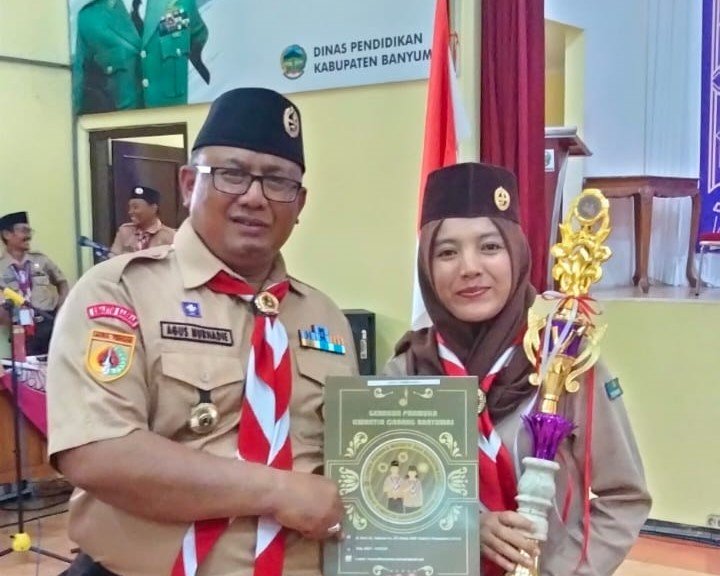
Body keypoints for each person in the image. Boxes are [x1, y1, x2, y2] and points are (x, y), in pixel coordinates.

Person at [47, 87, 358, 576]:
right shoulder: (119, 292)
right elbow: (99, 452)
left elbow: (355, 461)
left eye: (278, 181)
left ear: (299, 203)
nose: (254, 197)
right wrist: (278, 491)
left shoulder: (325, 318)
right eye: (232, 174)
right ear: (189, 183)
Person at [383, 163, 651, 576]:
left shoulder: (565, 361)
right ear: (426, 267)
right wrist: (463, 525)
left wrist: (563, 572)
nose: (469, 267)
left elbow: (624, 497)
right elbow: (384, 496)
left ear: (516, 253)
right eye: (447, 252)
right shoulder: (406, 372)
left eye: (490, 247)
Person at [72, 0, 210, 114]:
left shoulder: (181, 3)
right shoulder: (91, 18)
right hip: (124, 133)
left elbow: (198, 36)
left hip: (178, 129)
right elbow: (80, 90)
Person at [0, 212, 69, 356]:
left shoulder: (41, 260)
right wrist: (9, 324)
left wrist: (61, 309)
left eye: (29, 231)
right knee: (24, 368)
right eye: (23, 231)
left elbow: (62, 282)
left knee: (54, 363)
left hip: (48, 323)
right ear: (7, 234)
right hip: (20, 328)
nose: (29, 236)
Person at [110, 185, 176, 255]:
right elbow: (113, 258)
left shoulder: (170, 236)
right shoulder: (125, 232)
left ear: (153, 209)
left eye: (135, 207)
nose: (130, 212)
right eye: (130, 207)